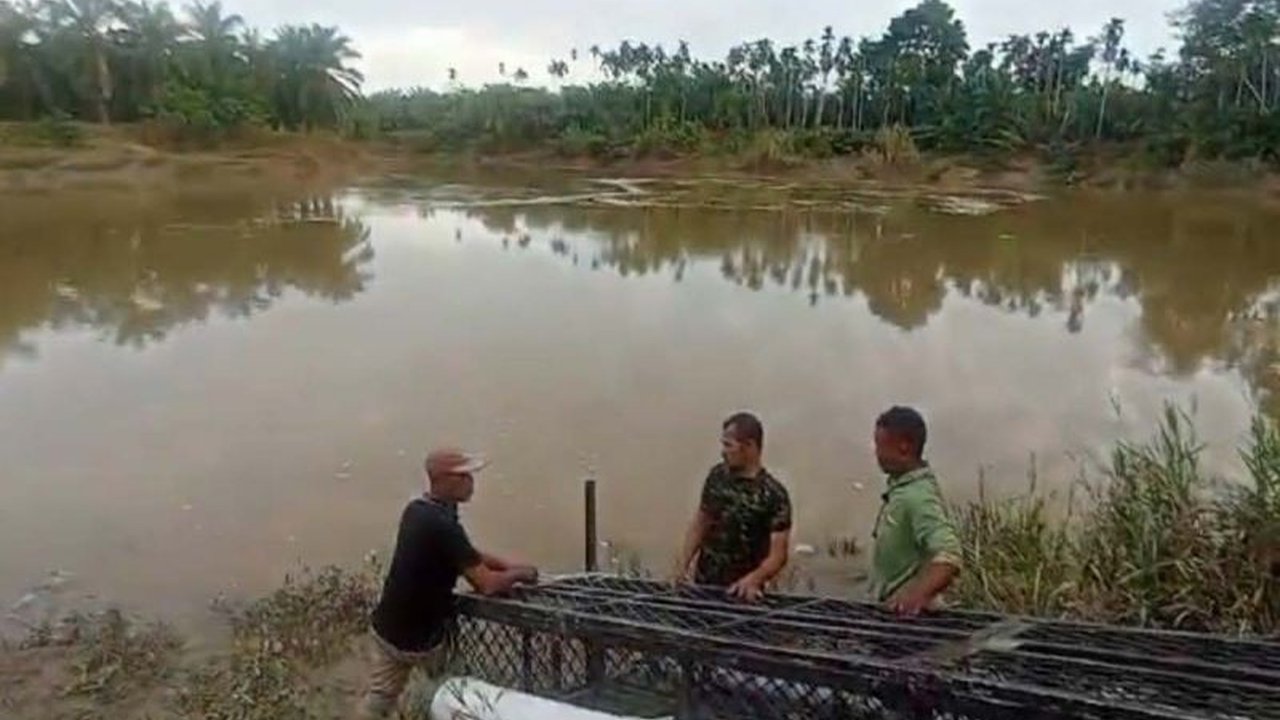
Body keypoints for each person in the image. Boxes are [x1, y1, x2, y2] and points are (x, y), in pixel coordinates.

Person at [358, 448, 538, 719]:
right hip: (422, 640)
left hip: (387, 628)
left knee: (379, 699)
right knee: (456, 689)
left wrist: (507, 565)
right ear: (445, 480)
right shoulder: (443, 525)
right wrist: (522, 574)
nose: (471, 482)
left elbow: (464, 553)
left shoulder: (418, 510)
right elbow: (486, 584)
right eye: (464, 476)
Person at [674, 412, 792, 602]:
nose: (723, 451)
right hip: (705, 586)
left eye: (729, 445)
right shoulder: (717, 477)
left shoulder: (774, 495)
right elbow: (700, 523)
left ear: (750, 446)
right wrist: (682, 566)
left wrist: (754, 580)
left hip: (742, 594)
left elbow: (778, 556)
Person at [868, 406, 963, 616]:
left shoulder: (918, 497)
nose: (876, 453)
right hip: (891, 613)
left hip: (910, 622)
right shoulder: (901, 489)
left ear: (904, 447)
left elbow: (949, 555)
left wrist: (916, 596)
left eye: (880, 445)